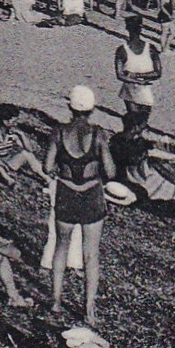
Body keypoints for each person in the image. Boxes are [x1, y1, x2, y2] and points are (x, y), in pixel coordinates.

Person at [45, 86, 117, 328]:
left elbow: (47, 167)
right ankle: (89, 310)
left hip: (66, 192)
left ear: (70, 107)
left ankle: (55, 302)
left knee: (61, 247)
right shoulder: (98, 134)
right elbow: (110, 171)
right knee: (91, 255)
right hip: (91, 195)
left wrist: (62, 169)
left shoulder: (58, 132)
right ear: (92, 109)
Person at [0, 103, 50, 186]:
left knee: (26, 154)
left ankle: (46, 178)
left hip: (7, 162)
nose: (15, 123)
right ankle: (9, 180)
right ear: (5, 121)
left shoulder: (12, 134)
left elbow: (29, 150)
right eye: (14, 121)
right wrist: (3, 165)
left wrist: (22, 135)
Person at [115, 18, 162, 122]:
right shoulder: (151, 49)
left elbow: (119, 75)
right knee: (142, 122)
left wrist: (133, 76)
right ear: (141, 29)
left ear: (127, 28)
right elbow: (158, 73)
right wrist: (139, 77)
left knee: (133, 120)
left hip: (129, 89)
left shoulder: (121, 50)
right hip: (146, 89)